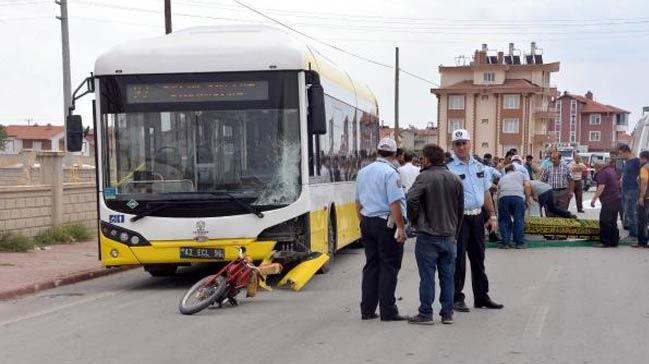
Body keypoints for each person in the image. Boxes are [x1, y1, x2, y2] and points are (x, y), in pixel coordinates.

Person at [406, 144, 464, 325]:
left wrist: (415, 221)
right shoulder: (455, 179)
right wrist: (455, 232)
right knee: (448, 277)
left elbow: (411, 198)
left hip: (428, 236)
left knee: (427, 277)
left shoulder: (424, 177)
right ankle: (447, 314)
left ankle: (426, 314)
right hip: (449, 236)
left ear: (428, 159)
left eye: (423, 157)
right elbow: (460, 209)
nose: (422, 161)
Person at [447, 129, 503, 312]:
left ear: (470, 143)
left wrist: (492, 215)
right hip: (460, 218)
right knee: (458, 260)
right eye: (457, 144)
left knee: (479, 257)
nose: (461, 147)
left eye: (464, 143)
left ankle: (481, 296)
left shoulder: (480, 167)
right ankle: (457, 298)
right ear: (453, 146)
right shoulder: (448, 168)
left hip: (478, 216)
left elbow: (486, 192)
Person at [355, 137, 408, 321]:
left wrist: (362, 223)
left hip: (367, 221)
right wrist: (401, 228)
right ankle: (388, 310)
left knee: (371, 266)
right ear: (394, 155)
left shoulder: (363, 172)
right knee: (389, 266)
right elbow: (394, 203)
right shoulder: (391, 173)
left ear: (378, 152)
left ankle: (367, 310)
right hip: (385, 223)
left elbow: (358, 203)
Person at [497, 164, 531, 249]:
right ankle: (519, 243)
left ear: (505, 171)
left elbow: (498, 192)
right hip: (517, 197)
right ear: (514, 169)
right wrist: (527, 199)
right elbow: (527, 185)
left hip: (503, 198)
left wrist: (499, 205)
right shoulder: (520, 174)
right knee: (519, 219)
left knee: (504, 220)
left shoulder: (502, 178)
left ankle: (505, 243)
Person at [590, 158, 620, 247]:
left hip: (608, 200)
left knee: (604, 221)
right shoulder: (611, 170)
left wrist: (593, 199)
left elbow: (601, 187)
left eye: (595, 168)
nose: (595, 170)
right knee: (613, 221)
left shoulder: (602, 173)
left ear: (598, 167)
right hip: (616, 198)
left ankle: (605, 242)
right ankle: (614, 241)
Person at [540, 152, 574, 216]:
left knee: (562, 211)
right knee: (549, 211)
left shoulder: (566, 167)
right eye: (552, 159)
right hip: (550, 192)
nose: (553, 160)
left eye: (555, 159)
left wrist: (571, 191)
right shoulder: (548, 168)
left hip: (563, 192)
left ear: (559, 159)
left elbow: (571, 179)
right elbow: (542, 180)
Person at [618, 144, 640, 240]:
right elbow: (624, 172)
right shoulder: (626, 162)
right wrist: (622, 178)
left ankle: (634, 234)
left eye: (621, 154)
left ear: (627, 152)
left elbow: (642, 173)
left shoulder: (636, 161)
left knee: (632, 211)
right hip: (625, 189)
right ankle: (632, 232)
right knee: (626, 211)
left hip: (632, 189)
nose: (620, 156)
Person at [634, 150, 649, 248]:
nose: (639, 160)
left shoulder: (644, 168)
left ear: (644, 158)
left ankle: (642, 242)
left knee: (642, 221)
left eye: (640, 158)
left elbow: (644, 183)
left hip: (646, 197)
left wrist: (641, 197)